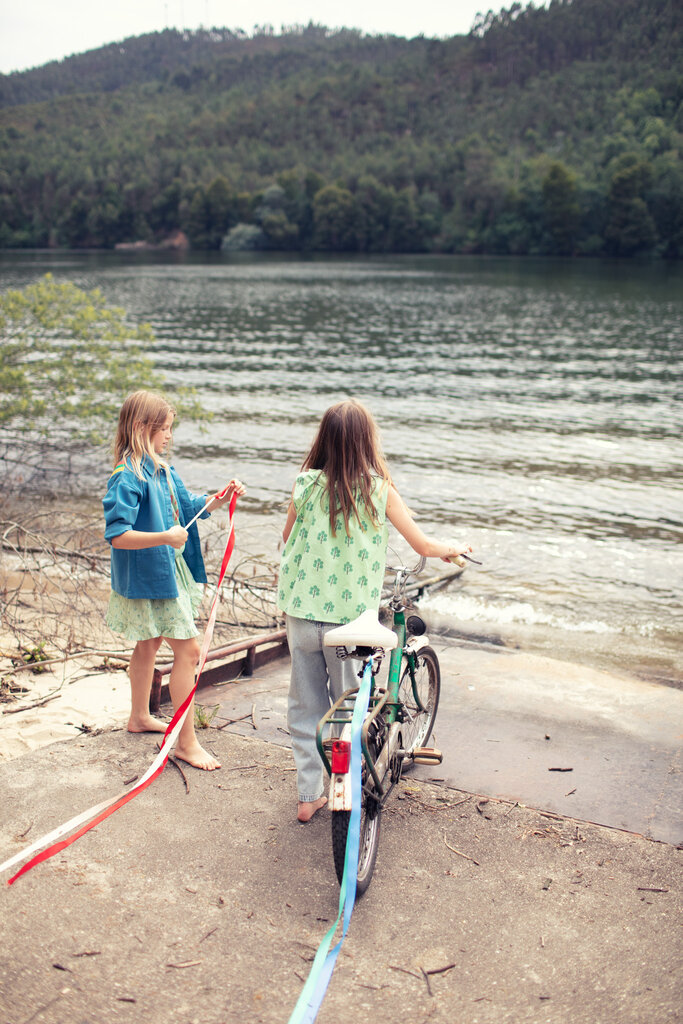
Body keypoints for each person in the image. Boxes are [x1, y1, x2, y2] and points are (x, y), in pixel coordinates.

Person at [278, 399, 472, 822]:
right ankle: (346, 791)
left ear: (323, 440)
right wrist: (452, 549)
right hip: (350, 624)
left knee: (306, 705)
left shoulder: (304, 484)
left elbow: (286, 538)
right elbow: (423, 546)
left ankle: (309, 795)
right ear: (367, 443)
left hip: (300, 615)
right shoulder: (378, 490)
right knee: (351, 707)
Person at [103, 390, 245, 771]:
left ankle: (139, 717)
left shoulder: (163, 469)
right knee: (189, 652)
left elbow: (189, 507)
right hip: (154, 577)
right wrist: (165, 536)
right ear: (139, 428)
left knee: (148, 642)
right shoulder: (126, 477)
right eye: (163, 428)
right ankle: (186, 742)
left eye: (169, 428)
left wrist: (220, 497)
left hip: (171, 572)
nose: (168, 435)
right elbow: (118, 534)